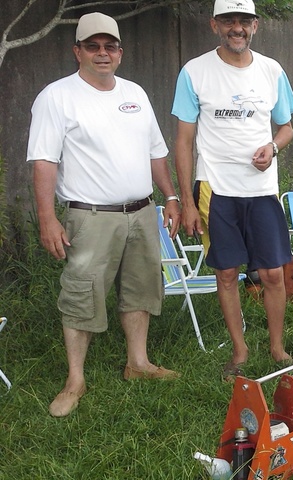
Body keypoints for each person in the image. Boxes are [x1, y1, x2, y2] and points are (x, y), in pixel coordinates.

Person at [27, 12, 182, 418]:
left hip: (142, 211)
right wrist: (48, 218)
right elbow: (43, 161)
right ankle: (75, 379)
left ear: (120, 52)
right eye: (92, 46)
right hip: (90, 217)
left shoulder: (135, 94)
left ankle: (138, 363)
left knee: (140, 289)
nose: (102, 53)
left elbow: (156, 152)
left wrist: (171, 196)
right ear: (77, 51)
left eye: (109, 46)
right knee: (82, 293)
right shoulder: (56, 97)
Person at [172, 0, 293, 380]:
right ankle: (240, 352)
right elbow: (183, 141)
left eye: (244, 21)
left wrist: (273, 147)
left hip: (261, 190)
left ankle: (277, 348)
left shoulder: (272, 70)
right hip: (216, 188)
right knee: (226, 273)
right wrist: (188, 201)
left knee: (274, 273)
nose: (237, 28)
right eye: (229, 20)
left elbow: (287, 127)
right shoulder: (194, 72)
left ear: (255, 26)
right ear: (215, 25)